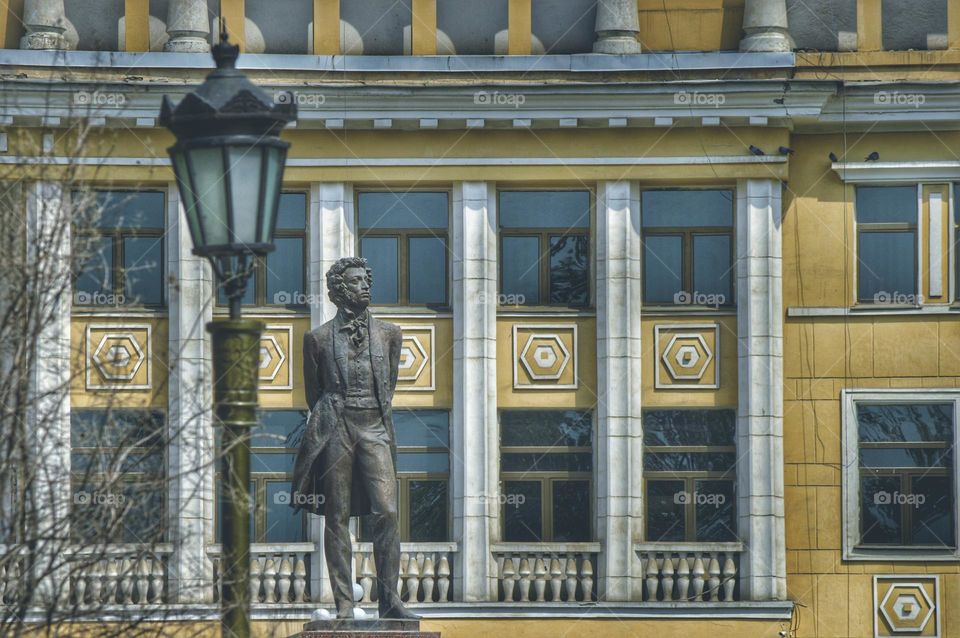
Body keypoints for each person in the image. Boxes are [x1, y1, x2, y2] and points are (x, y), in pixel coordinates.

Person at [290, 256, 418, 620]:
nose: (366, 286)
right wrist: (338, 416)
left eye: (366, 279)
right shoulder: (316, 339)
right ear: (340, 290)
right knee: (337, 517)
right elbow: (314, 395)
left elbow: (387, 386)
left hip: (375, 425)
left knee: (388, 511)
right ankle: (345, 602)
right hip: (337, 427)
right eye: (358, 281)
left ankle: (390, 600)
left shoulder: (390, 334)